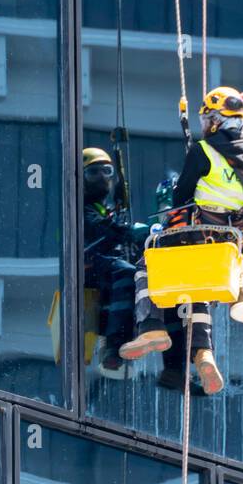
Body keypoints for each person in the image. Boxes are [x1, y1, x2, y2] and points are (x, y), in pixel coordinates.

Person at [119, 86, 243, 395]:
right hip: (232, 243)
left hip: (198, 232)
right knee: (197, 284)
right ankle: (204, 354)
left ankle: (151, 328)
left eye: (206, 120)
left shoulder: (203, 151)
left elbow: (181, 197)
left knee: (148, 257)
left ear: (215, 120)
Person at [82, 147, 147, 370]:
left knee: (142, 274)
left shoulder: (104, 209)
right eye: (93, 172)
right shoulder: (79, 208)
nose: (101, 177)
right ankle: (115, 344)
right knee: (127, 272)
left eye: (106, 171)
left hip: (104, 264)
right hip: (87, 264)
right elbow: (101, 230)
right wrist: (126, 231)